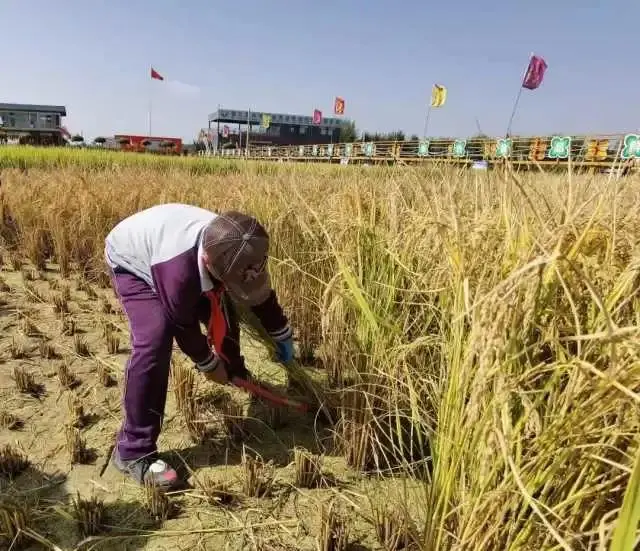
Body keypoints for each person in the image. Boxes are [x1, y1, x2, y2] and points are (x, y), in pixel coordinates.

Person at [103, 203, 294, 489]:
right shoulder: (178, 274)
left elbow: (258, 292)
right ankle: (133, 450)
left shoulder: (238, 243)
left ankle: (235, 373)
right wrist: (208, 364)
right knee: (154, 339)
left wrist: (281, 332)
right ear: (208, 263)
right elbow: (183, 324)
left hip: (175, 246)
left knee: (224, 309)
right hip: (133, 257)